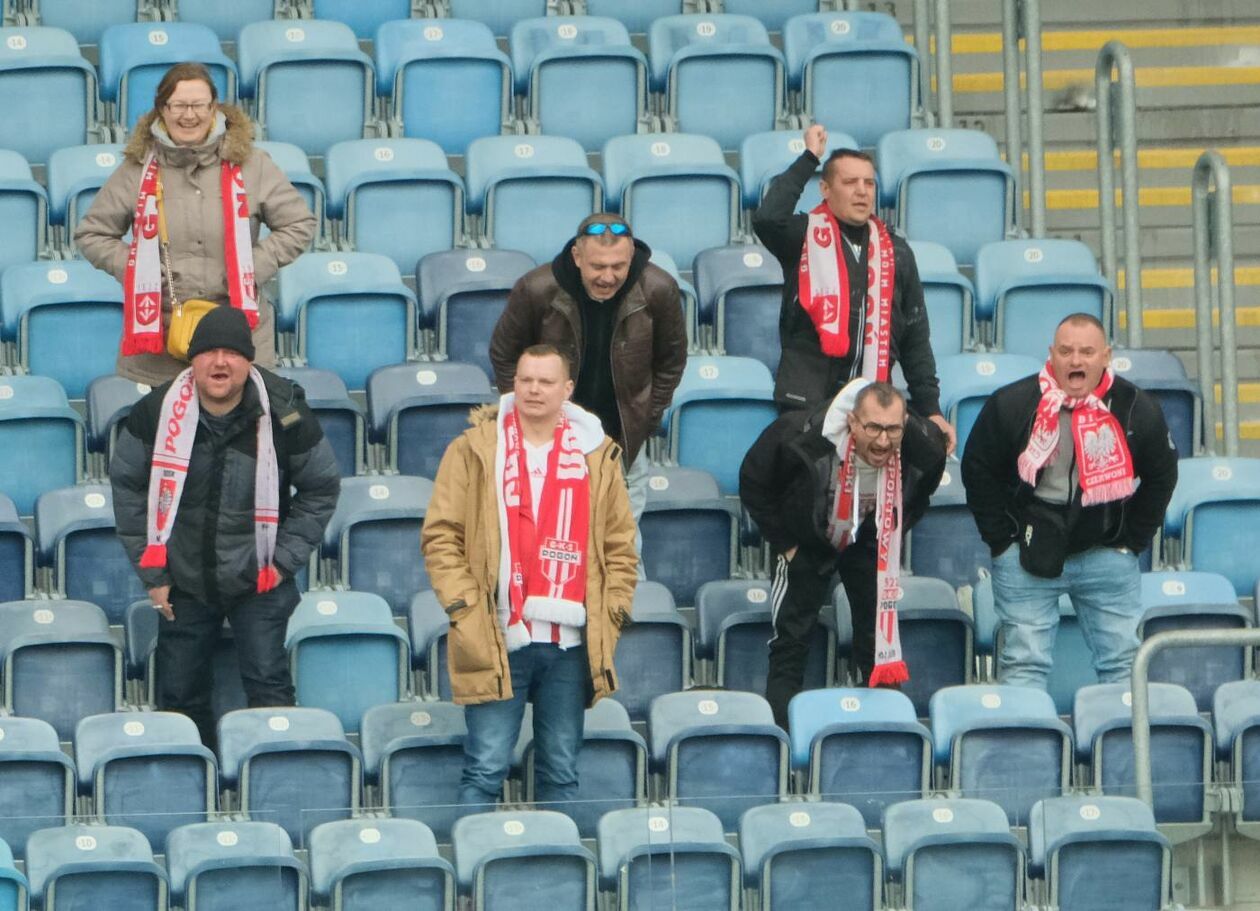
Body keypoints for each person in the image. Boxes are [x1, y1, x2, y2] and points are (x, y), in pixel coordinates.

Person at [109, 307, 340, 748]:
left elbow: (322, 488)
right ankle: (196, 796)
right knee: (178, 698)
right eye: (209, 352)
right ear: (191, 361)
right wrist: (154, 577)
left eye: (232, 353)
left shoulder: (285, 412)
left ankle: (271, 787)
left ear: (249, 362)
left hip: (261, 577)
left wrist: (284, 561)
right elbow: (128, 487)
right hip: (185, 579)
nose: (220, 362)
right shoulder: (156, 411)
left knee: (269, 689)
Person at [422, 345, 638, 810]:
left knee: (561, 770)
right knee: (485, 767)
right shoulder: (475, 449)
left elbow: (621, 546)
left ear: (567, 389)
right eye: (525, 380)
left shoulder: (596, 456)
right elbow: (441, 535)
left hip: (570, 642)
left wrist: (614, 610)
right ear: (512, 384)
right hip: (496, 634)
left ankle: (559, 878)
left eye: (544, 381)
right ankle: (469, 879)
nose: (534, 390)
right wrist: (465, 607)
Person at [961, 313, 1178, 688]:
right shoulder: (1013, 403)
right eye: (1066, 351)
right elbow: (978, 470)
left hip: (1106, 555)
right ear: (1051, 354)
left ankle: (1122, 749)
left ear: (1106, 356)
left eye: (1087, 352)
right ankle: (1028, 747)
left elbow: (1162, 476)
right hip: (1027, 557)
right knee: (1023, 669)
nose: (1076, 361)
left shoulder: (1134, 407)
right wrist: (1002, 542)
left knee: (1124, 670)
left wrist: (1131, 542)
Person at [77, 62, 316, 385]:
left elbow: (299, 224)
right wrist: (135, 267)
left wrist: (253, 266)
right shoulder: (136, 169)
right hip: (161, 342)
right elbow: (92, 233)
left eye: (198, 105)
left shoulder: (252, 164)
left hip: (238, 336)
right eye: (178, 105)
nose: (188, 115)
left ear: (214, 107)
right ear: (162, 109)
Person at [740, 378, 946, 728]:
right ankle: (786, 744)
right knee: (792, 642)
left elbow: (923, 489)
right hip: (809, 539)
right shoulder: (799, 434)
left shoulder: (923, 447)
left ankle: (885, 737)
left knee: (879, 642)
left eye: (893, 430)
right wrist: (785, 540)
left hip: (869, 538)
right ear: (852, 422)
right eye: (874, 428)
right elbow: (753, 480)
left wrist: (893, 529)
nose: (883, 440)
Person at [752, 124, 956, 455]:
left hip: (874, 410)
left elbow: (915, 338)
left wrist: (931, 408)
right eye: (850, 182)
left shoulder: (897, 251)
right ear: (825, 189)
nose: (862, 191)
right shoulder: (804, 236)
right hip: (806, 405)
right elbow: (767, 219)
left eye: (869, 183)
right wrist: (809, 158)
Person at [488, 214, 688, 531]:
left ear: (631, 257)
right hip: (550, 440)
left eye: (618, 266)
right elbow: (504, 355)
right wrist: (532, 417)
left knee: (622, 551)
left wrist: (646, 417)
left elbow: (671, 361)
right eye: (598, 266)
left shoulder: (659, 289)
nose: (608, 277)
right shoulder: (536, 289)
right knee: (550, 541)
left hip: (622, 441)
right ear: (577, 256)